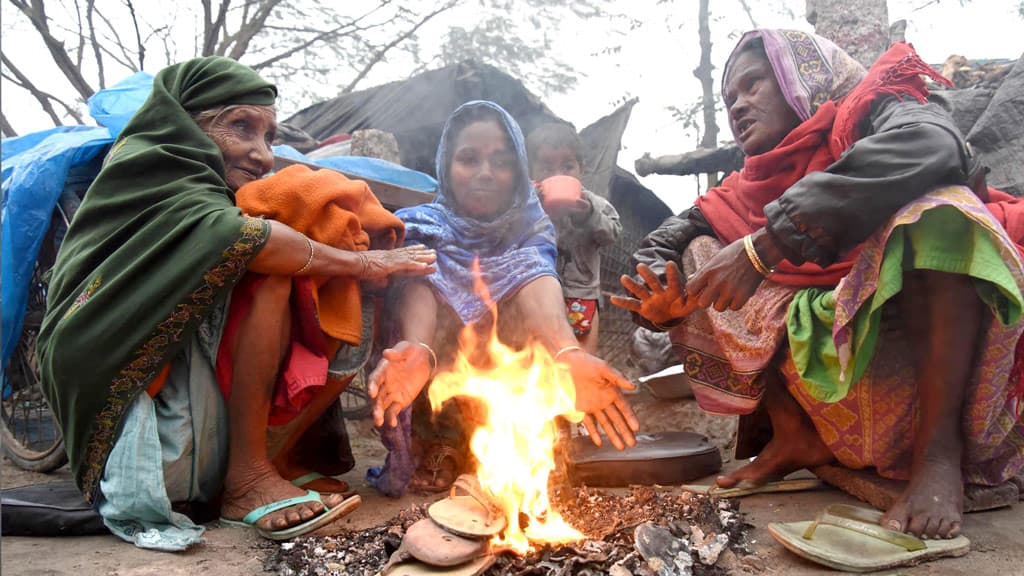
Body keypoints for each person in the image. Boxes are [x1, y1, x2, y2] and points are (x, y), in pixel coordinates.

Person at [613, 29, 1024, 540]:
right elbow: (662, 247)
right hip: (843, 402)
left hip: (933, 380)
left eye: (752, 85)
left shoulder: (881, 107)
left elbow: (936, 148)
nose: (738, 105)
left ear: (799, 78)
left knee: (942, 214)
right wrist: (659, 303)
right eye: (729, 99)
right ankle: (796, 437)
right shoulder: (746, 186)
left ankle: (938, 457)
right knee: (703, 253)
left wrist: (765, 246)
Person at [37, 56, 436, 549]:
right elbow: (243, 238)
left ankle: (274, 459)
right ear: (182, 122)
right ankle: (245, 479)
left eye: (268, 137)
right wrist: (363, 264)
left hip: (182, 400)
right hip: (123, 406)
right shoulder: (149, 165)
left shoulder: (215, 188)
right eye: (240, 127)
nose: (261, 155)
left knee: (322, 261)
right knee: (276, 267)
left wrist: (358, 259)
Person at [366, 101, 639, 495]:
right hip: (441, 371)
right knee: (415, 282)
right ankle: (442, 442)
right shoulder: (425, 224)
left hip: (511, 367)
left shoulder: (532, 226)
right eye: (468, 159)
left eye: (502, 161)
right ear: (445, 165)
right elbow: (422, 281)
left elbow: (536, 274)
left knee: (532, 320)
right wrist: (421, 348)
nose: (485, 173)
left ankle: (528, 440)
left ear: (519, 174)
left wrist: (566, 353)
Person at [527, 122, 622, 354]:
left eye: (567, 166)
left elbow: (612, 234)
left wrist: (588, 216)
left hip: (582, 296)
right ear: (531, 172)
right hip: (534, 294)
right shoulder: (526, 203)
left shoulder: (595, 205)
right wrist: (528, 204)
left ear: (582, 168)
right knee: (536, 358)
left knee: (582, 355)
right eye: (547, 168)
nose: (558, 175)